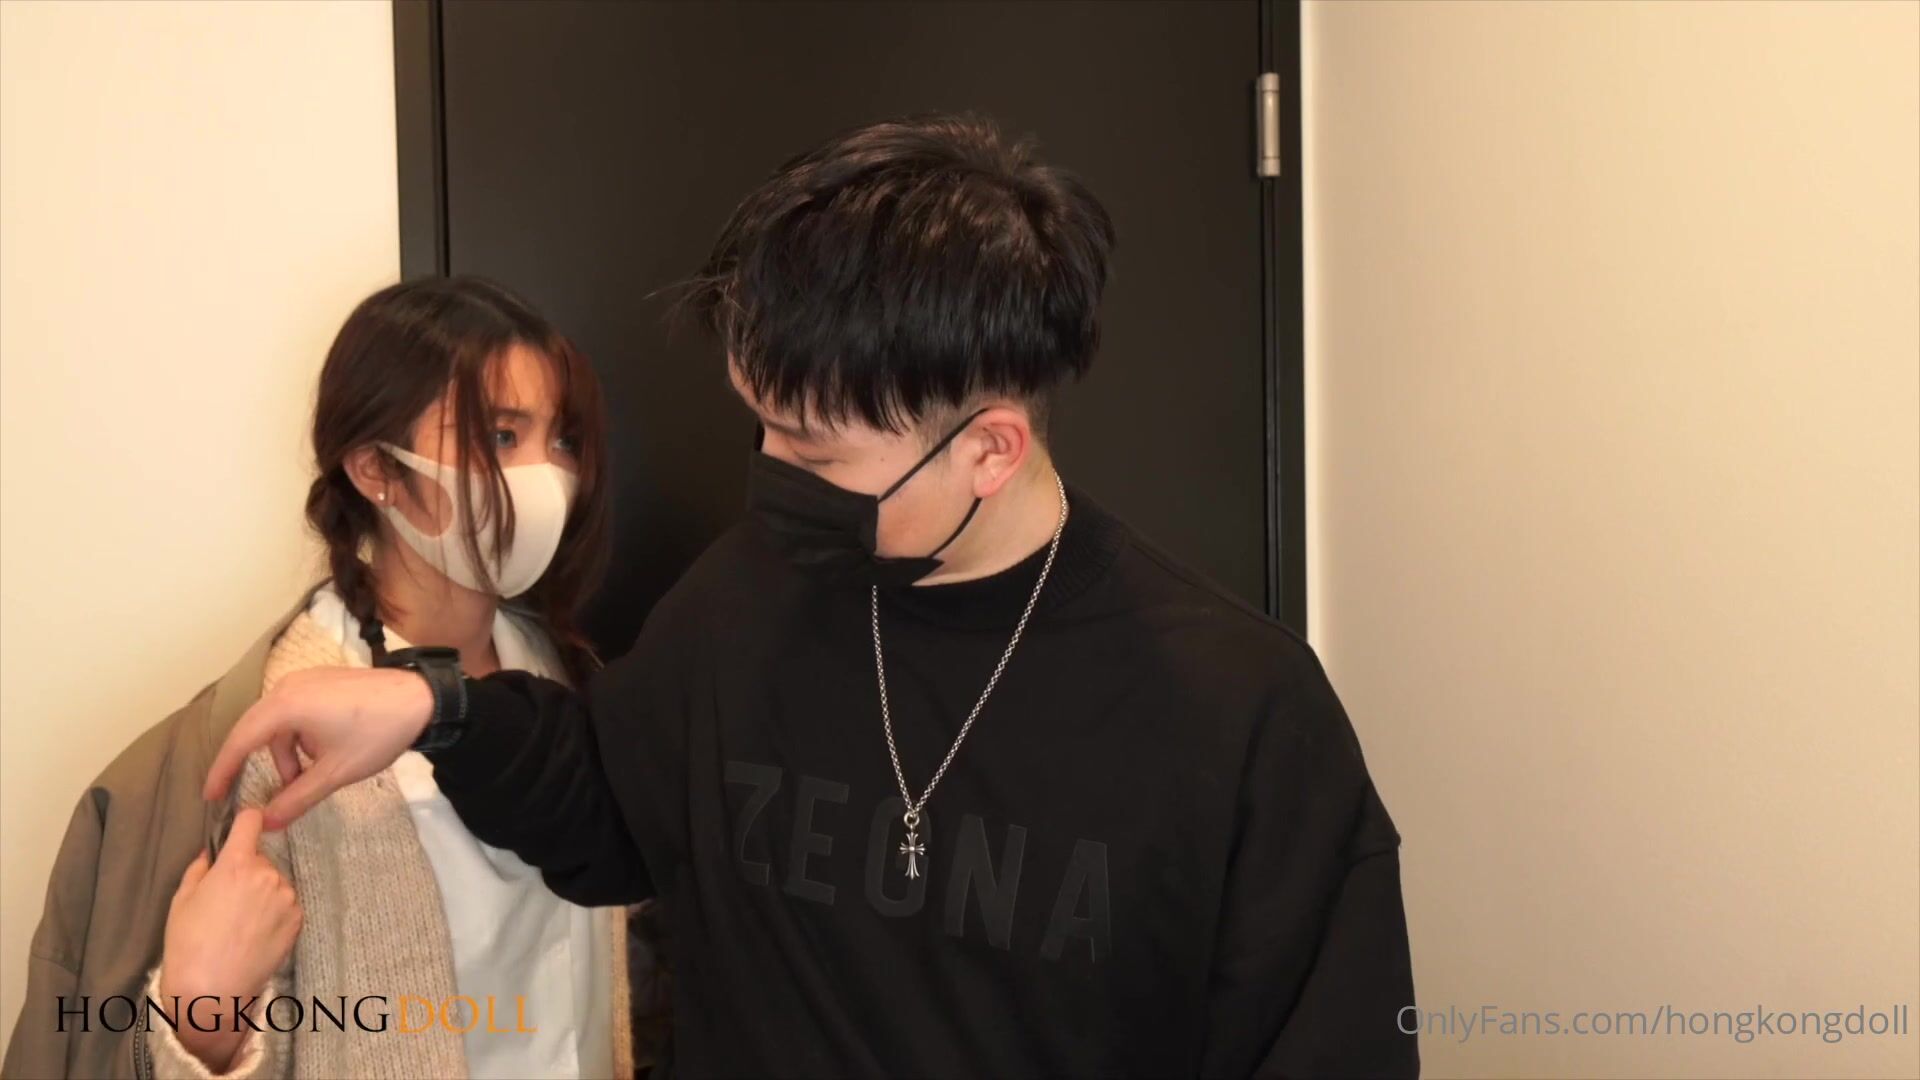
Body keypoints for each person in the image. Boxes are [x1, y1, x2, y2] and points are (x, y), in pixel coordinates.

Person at [208, 116, 1420, 1078]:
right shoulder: (755, 590)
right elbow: (616, 811)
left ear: (990, 450)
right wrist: (440, 709)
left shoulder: (1240, 714)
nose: (772, 476)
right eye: (765, 427)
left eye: (817, 451)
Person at [4, 277, 638, 1079]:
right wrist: (203, 1018)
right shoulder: (272, 740)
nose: (544, 474)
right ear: (376, 469)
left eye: (562, 441)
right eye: (503, 436)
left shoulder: (575, 682)